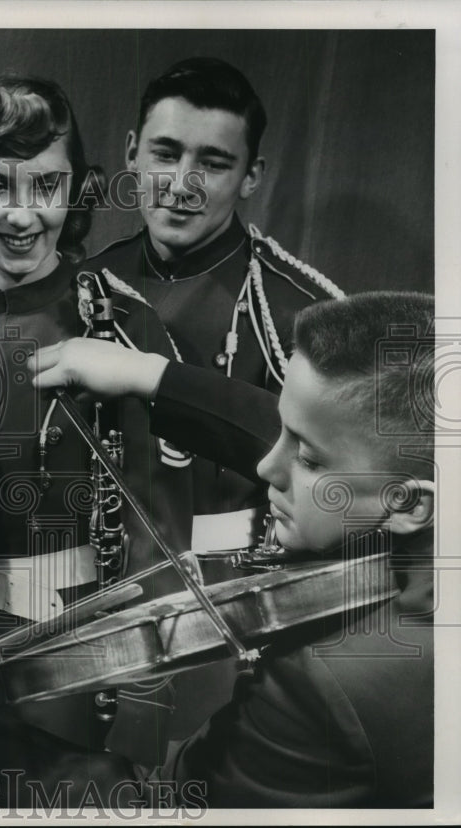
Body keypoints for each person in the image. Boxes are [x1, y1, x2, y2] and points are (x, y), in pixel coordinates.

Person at [0, 291, 435, 808]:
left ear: (412, 505)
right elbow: (350, 433)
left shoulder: (323, 687)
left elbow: (166, 806)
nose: (263, 465)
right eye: (280, 430)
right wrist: (151, 375)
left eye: (304, 458)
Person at [0, 75, 193, 757]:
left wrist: (140, 715)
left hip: (94, 674)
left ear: (76, 191)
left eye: (46, 186)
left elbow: (158, 536)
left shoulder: (125, 324)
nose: (21, 217)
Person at [88, 56, 346, 556]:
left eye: (212, 163)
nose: (182, 184)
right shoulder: (88, 282)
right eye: (165, 154)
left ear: (251, 177)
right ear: (131, 153)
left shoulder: (301, 312)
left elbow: (336, 475)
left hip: (238, 588)